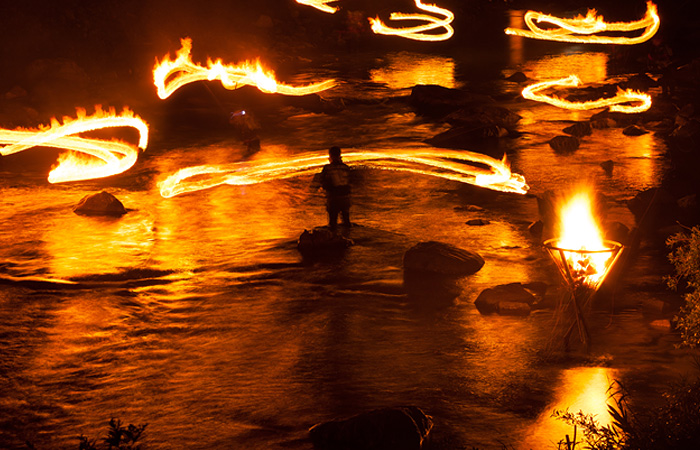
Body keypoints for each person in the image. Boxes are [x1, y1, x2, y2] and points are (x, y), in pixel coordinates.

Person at [318, 146, 352, 231]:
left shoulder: (328, 168)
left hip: (334, 198)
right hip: (346, 198)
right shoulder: (346, 167)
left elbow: (322, 180)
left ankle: (334, 239)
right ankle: (348, 238)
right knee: (346, 221)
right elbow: (351, 180)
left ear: (331, 156)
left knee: (333, 223)